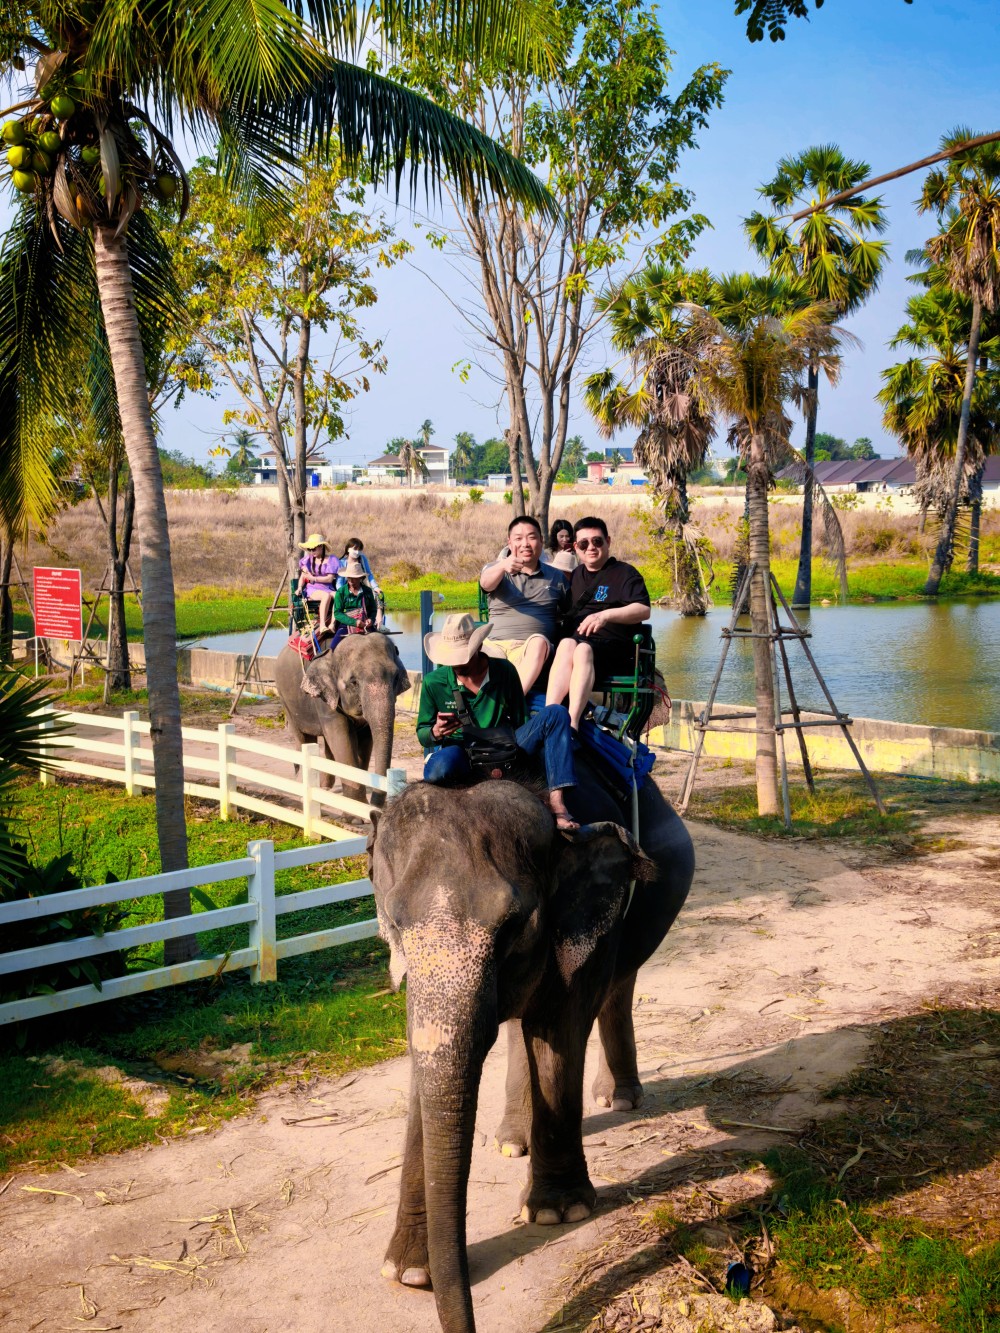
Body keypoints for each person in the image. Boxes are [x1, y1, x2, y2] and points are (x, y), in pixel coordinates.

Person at [417, 613, 578, 830]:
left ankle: (558, 803)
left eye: (463, 656)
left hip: (505, 745)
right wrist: (436, 732)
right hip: (462, 751)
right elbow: (423, 734)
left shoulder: (505, 671)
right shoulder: (433, 682)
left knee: (556, 713)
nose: (457, 664)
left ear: (479, 646)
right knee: (438, 769)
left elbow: (521, 720)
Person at [545, 515, 651, 731]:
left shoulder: (625, 573)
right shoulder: (574, 576)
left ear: (608, 541)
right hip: (577, 648)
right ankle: (550, 716)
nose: (591, 547)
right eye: (584, 543)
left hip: (613, 650)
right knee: (566, 644)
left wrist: (605, 616)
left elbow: (643, 609)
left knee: (582, 649)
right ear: (576, 547)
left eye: (597, 541)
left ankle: (572, 724)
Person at [479, 515, 568, 694]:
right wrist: (503, 565)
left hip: (531, 649)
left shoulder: (557, 576)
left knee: (538, 642)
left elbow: (570, 612)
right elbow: (485, 584)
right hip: (495, 645)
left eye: (532, 537)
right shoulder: (496, 569)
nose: (525, 543)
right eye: (518, 538)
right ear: (510, 543)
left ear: (541, 541)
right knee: (474, 653)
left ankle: (513, 705)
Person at [331, 556, 378, 646]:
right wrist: (354, 622)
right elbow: (337, 613)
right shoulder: (341, 592)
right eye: (349, 577)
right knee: (333, 647)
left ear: (360, 578)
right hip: (346, 624)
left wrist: (371, 620)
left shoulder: (367, 591)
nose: (351, 580)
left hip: (366, 624)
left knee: (381, 646)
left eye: (354, 578)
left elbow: (373, 609)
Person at [298, 533, 340, 634]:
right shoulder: (307, 560)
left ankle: (332, 624)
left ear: (321, 547)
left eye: (314, 549)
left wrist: (314, 578)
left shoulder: (331, 559)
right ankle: (322, 625)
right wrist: (299, 587)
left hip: (328, 587)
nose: (311, 552)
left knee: (338, 595)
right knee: (326, 596)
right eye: (310, 550)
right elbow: (303, 576)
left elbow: (330, 579)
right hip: (313, 588)